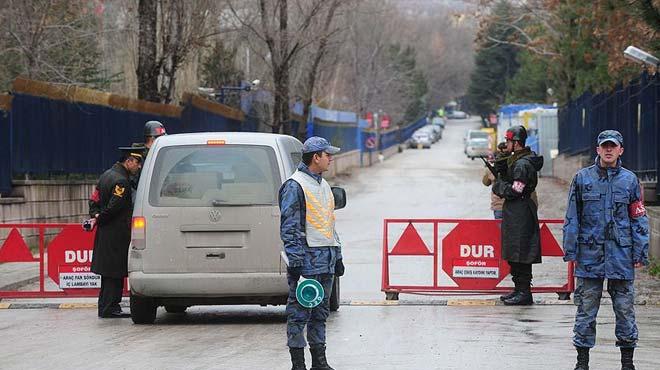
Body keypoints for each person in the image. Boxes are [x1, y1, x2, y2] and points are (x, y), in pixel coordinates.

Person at [562, 130, 648, 370]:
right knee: (586, 309)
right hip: (590, 255)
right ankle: (582, 361)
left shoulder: (630, 180)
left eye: (613, 146)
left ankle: (627, 362)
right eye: (604, 146)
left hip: (621, 254)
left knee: (624, 309)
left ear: (620, 150)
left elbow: (638, 218)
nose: (608, 150)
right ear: (597, 149)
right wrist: (570, 249)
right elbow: (572, 216)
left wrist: (640, 252)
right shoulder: (582, 179)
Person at [279, 136, 345, 370]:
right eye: (328, 155)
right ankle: (298, 364)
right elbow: (290, 227)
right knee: (298, 314)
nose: (331, 158)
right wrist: (296, 260)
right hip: (306, 262)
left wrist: (338, 256)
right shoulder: (295, 185)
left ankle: (320, 361)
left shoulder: (323, 185)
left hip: (325, 261)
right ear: (315, 157)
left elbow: (329, 223)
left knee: (320, 312)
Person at [492, 125, 543, 305]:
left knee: (521, 252)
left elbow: (516, 189)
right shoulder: (518, 161)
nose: (506, 144)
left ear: (516, 143)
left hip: (521, 211)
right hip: (515, 211)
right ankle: (518, 289)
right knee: (515, 251)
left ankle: (524, 292)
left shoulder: (522, 164)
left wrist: (499, 186)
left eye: (508, 141)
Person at [89, 147, 143, 318]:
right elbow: (114, 207)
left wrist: (95, 215)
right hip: (116, 233)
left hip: (105, 232)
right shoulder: (121, 182)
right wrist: (100, 218)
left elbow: (94, 200)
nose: (139, 166)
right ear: (128, 161)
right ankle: (111, 307)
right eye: (137, 162)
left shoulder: (106, 175)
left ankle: (105, 306)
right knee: (114, 271)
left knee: (107, 272)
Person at [483, 142, 508, 219]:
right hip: (513, 206)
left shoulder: (494, 167)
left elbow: (485, 182)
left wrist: (488, 171)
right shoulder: (515, 164)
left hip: (498, 206)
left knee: (501, 230)